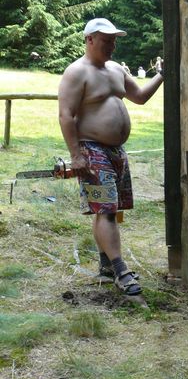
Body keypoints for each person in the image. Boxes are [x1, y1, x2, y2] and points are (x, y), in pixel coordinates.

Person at [58, 18, 164, 296]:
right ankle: (120, 270)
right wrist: (76, 155)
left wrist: (161, 75)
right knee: (105, 210)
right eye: (107, 41)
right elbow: (66, 115)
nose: (112, 46)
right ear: (90, 39)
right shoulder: (77, 72)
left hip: (116, 151)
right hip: (92, 149)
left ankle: (106, 266)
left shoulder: (116, 69)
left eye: (114, 41)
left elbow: (139, 97)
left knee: (109, 210)